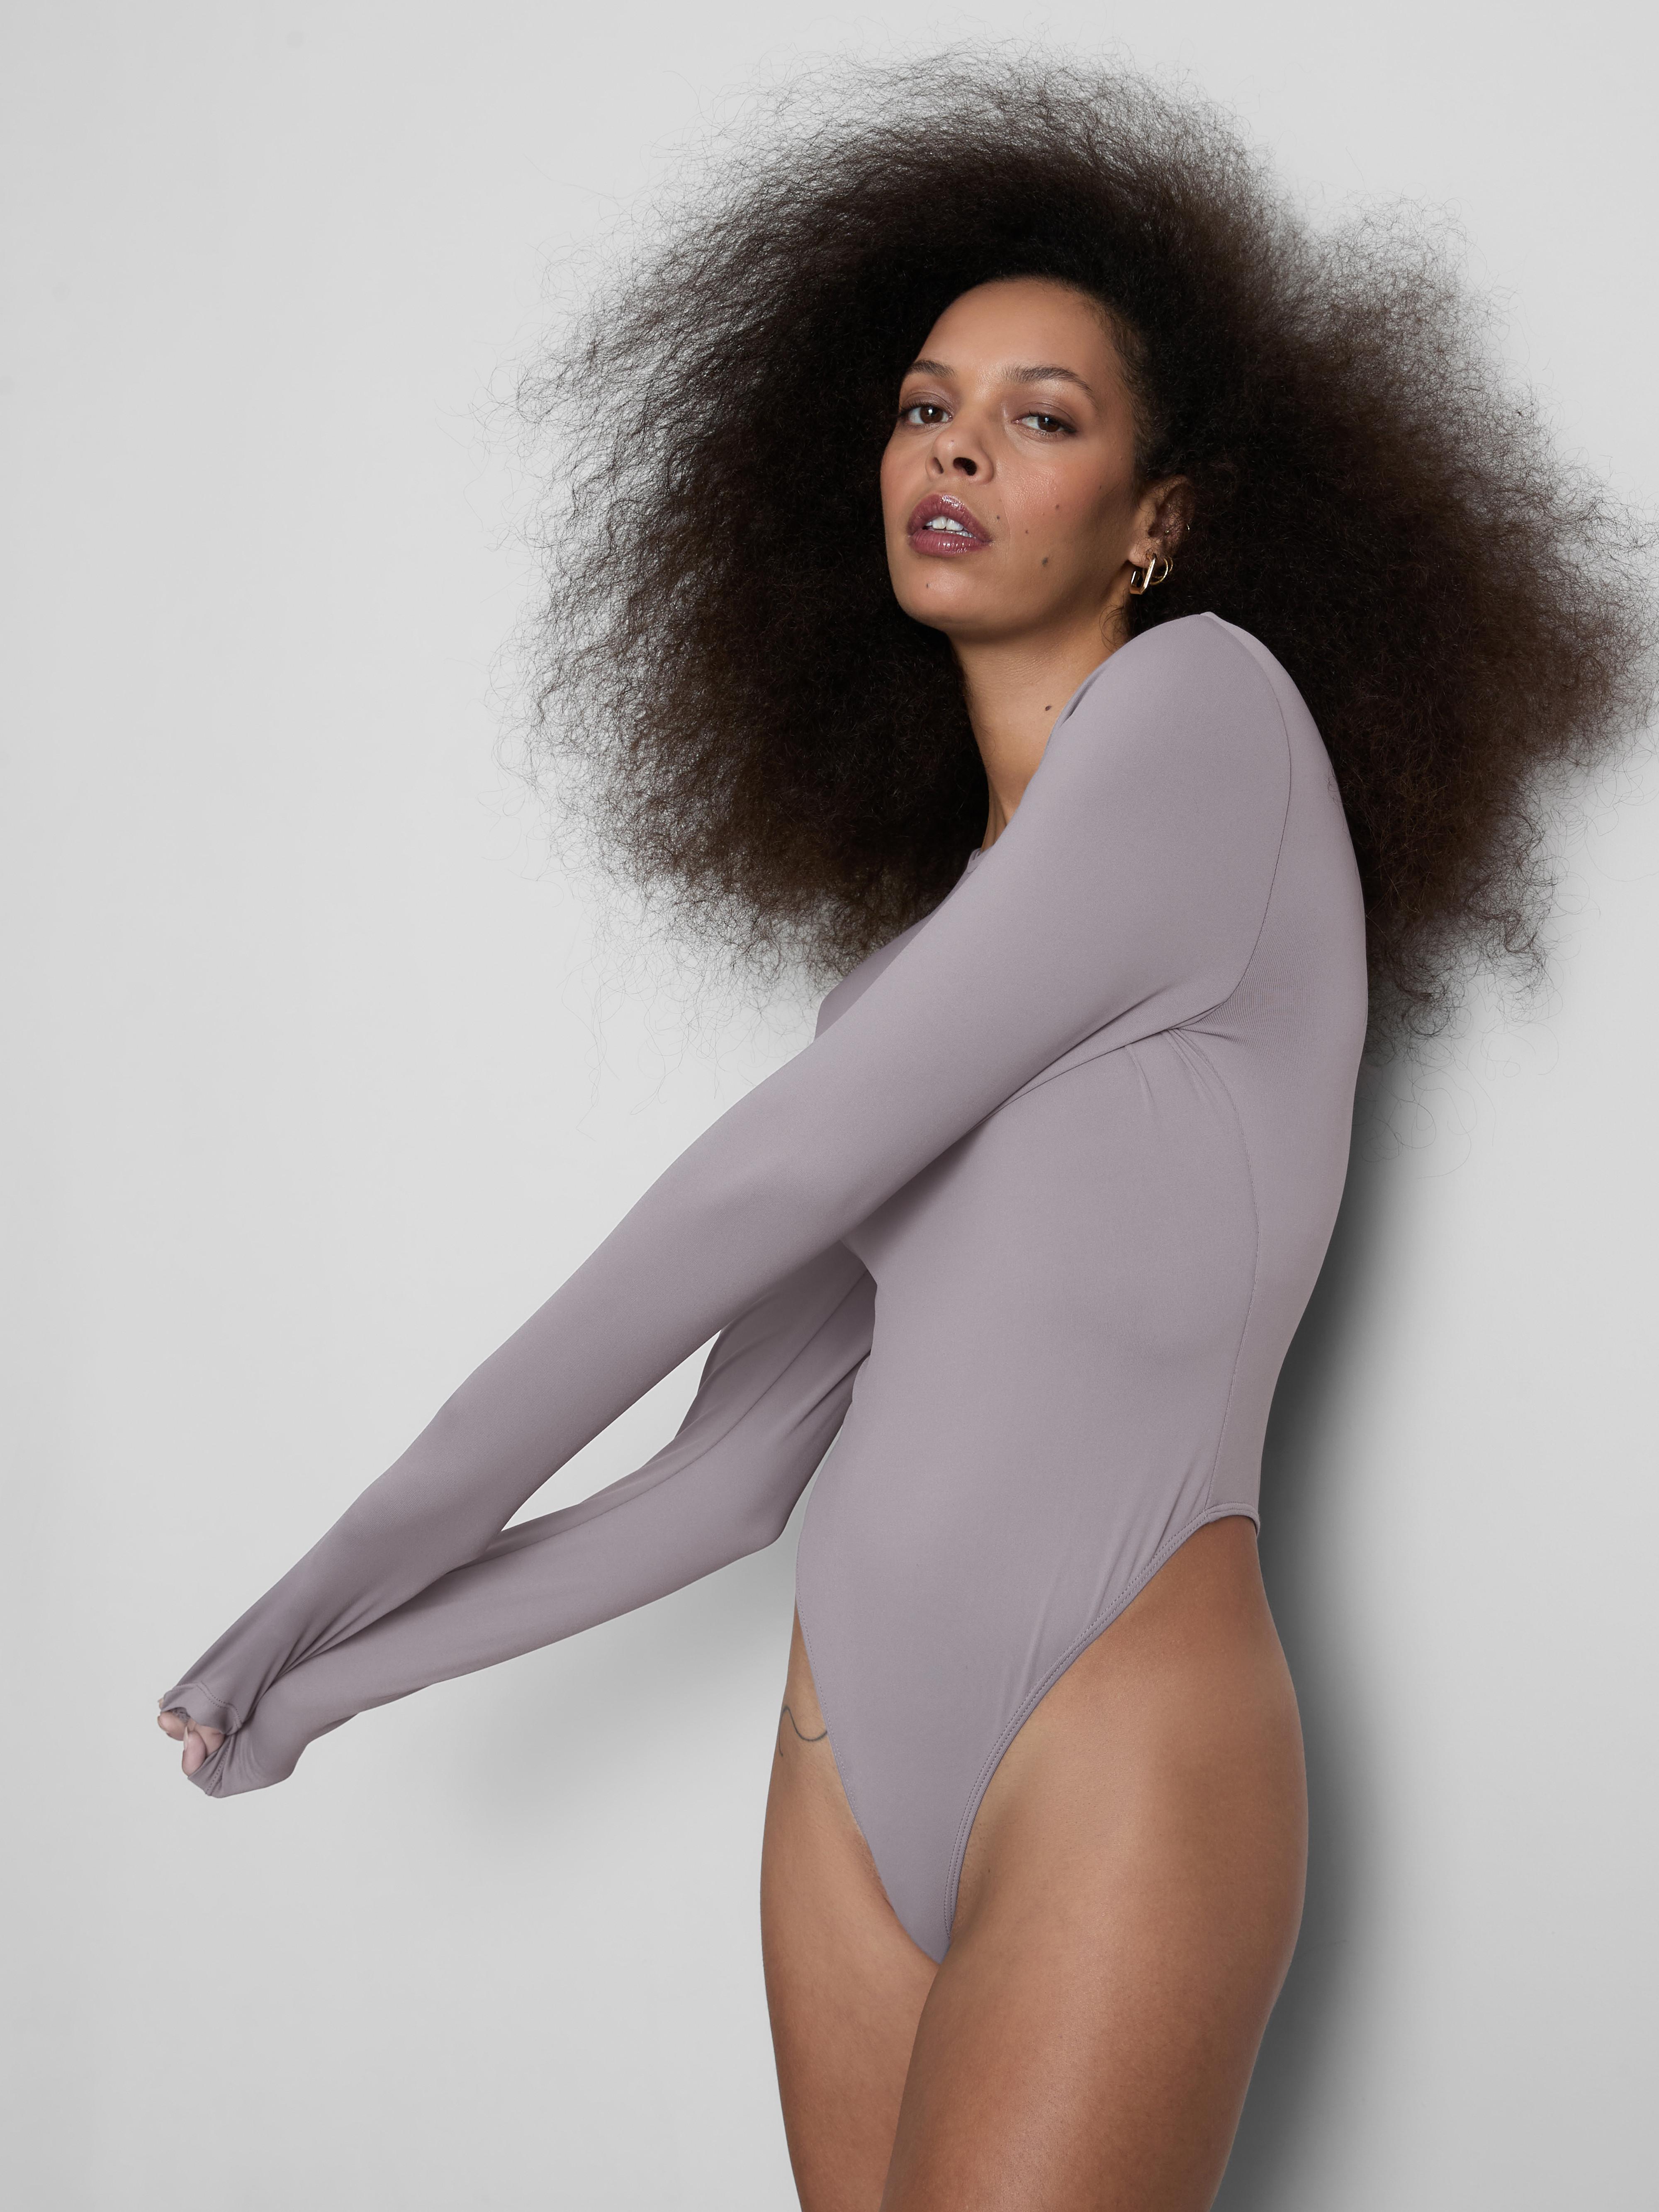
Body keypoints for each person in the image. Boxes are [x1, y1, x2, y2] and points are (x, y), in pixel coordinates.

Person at [155, 61, 1651, 2212]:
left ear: (1156, 519)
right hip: (842, 1775)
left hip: (1122, 1742)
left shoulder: (1212, 723)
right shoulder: (909, 991)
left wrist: (338, 1562)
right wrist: (327, 1680)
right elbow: (726, 1479)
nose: (955, 446)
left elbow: (765, 1177)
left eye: (1042, 417)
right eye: (928, 405)